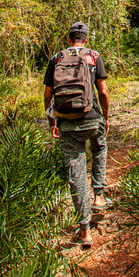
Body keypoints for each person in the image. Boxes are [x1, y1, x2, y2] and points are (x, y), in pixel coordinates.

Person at [43, 21, 110, 249]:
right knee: (100, 146)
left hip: (66, 123)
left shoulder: (56, 59)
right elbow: (103, 91)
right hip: (92, 117)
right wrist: (106, 117)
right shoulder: (94, 56)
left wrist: (52, 120)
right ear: (86, 39)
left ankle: (84, 230)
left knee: (76, 173)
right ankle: (99, 194)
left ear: (69, 39)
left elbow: (47, 93)